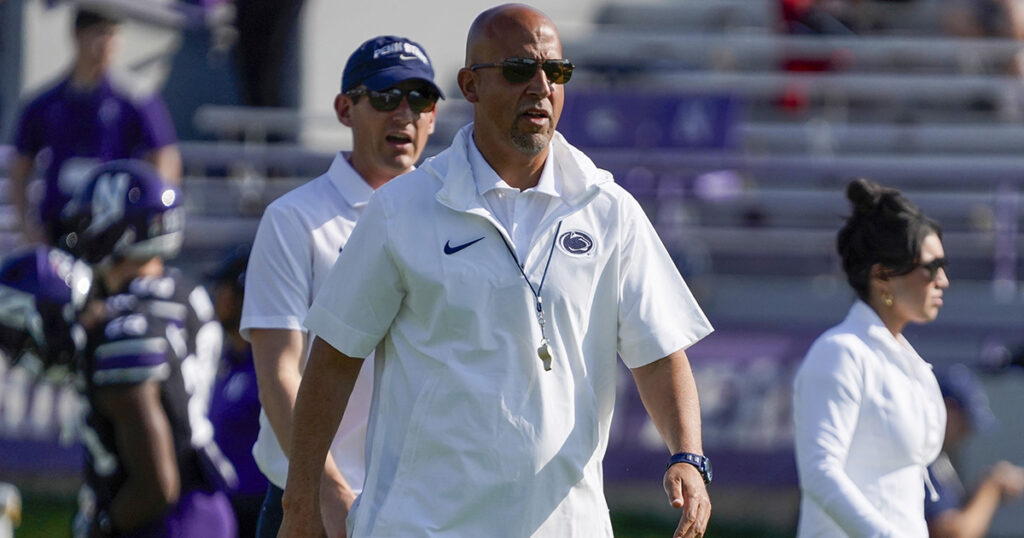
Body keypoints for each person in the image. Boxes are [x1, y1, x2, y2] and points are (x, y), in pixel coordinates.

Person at [281, 5, 714, 537]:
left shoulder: (609, 208)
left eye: (555, 72)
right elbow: (332, 361)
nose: (540, 86)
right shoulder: (400, 209)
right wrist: (299, 504)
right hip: (420, 527)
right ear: (470, 85)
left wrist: (688, 455)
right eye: (517, 70)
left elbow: (658, 355)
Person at [239, 35, 441, 538]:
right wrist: (324, 493)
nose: (405, 114)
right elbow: (279, 373)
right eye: (386, 96)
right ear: (344, 109)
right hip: (318, 506)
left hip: (425, 505)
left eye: (420, 99)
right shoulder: (293, 220)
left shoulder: (453, 217)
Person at [61, 159, 234, 536]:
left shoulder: (127, 321)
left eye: (92, 220)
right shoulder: (189, 294)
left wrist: (104, 526)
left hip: (161, 510)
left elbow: (155, 481)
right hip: (204, 496)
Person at [792, 177, 949, 536]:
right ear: (883, 276)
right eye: (931, 266)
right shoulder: (840, 353)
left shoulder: (909, 361)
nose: (942, 280)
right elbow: (820, 473)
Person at [8, 7, 181, 247]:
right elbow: (20, 168)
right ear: (78, 35)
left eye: (113, 35)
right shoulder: (46, 102)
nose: (107, 43)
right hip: (58, 223)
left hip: (113, 225)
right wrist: (26, 227)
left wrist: (148, 215)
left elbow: (165, 157)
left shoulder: (135, 98)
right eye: (99, 33)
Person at [207, 244, 267, 537]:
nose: (216, 296)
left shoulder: (268, 365)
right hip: (224, 505)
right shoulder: (226, 362)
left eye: (223, 288)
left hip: (259, 505)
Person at [925, 364, 1024, 538]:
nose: (967, 433)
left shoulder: (940, 458)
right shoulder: (923, 458)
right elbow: (953, 534)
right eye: (965, 422)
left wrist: (982, 487)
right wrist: (992, 487)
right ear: (948, 409)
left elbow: (951, 512)